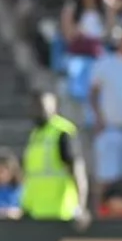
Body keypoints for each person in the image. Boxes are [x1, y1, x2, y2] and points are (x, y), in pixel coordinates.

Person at [19, 91, 89, 223]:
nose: (37, 110)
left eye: (42, 106)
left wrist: (81, 207)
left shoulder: (62, 132)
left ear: (54, 107)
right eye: (34, 107)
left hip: (60, 212)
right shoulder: (35, 135)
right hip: (35, 212)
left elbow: (78, 170)